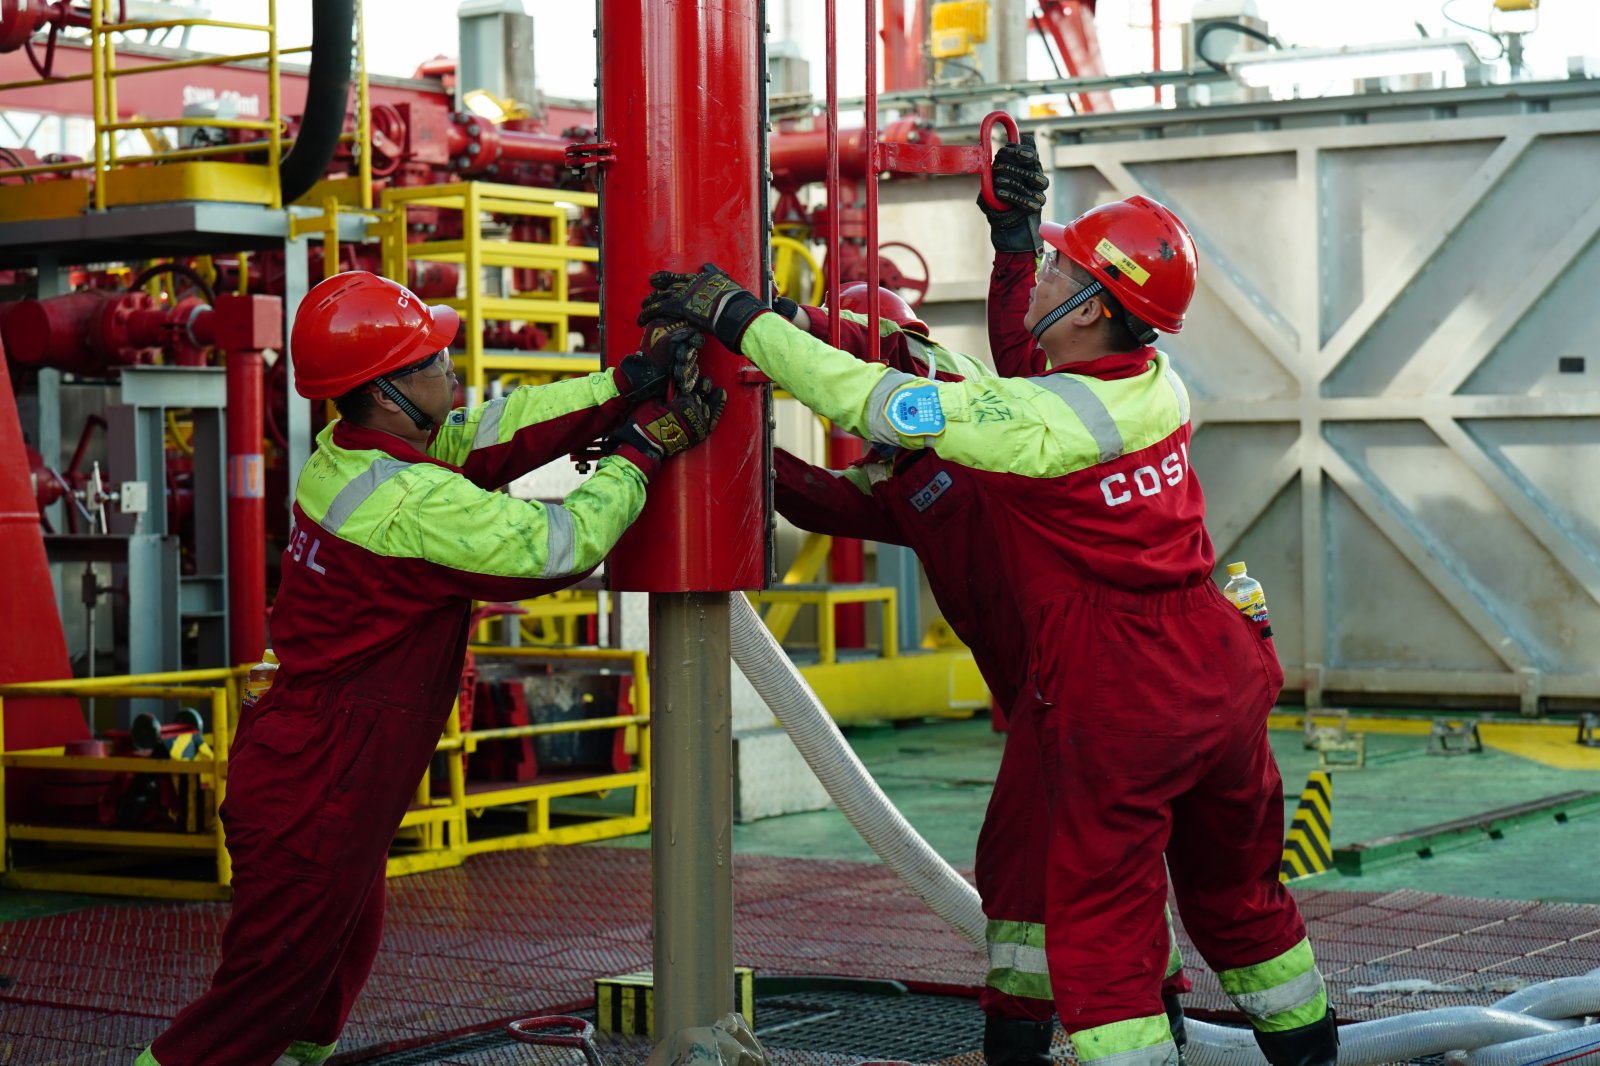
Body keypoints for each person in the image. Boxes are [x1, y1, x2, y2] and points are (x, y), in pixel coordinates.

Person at [640, 193, 1337, 1066]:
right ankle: (1309, 1049)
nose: (1043, 273)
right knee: (1240, 898)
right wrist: (1001, 254)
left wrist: (741, 321)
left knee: (1102, 929)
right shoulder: (1147, 386)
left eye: (1057, 268)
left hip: (1124, 689)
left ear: (1091, 309)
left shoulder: (1023, 426)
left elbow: (884, 401)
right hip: (1218, 665)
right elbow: (982, 372)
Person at [137, 271, 723, 1066]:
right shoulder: (405, 503)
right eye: (434, 361)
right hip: (318, 785)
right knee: (256, 1006)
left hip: (322, 765)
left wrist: (626, 384)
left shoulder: (359, 454)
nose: (451, 369)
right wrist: (640, 453)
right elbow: (554, 546)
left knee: (324, 986)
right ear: (387, 394)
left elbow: (498, 431)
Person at [771, 290, 1191, 1066]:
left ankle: (1028, 1035)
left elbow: (917, 358)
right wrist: (733, 447)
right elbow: (817, 500)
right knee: (1108, 852)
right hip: (1051, 689)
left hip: (1076, 679)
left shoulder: (970, 410)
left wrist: (779, 323)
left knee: (1026, 867)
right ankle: (1162, 1011)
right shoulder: (897, 479)